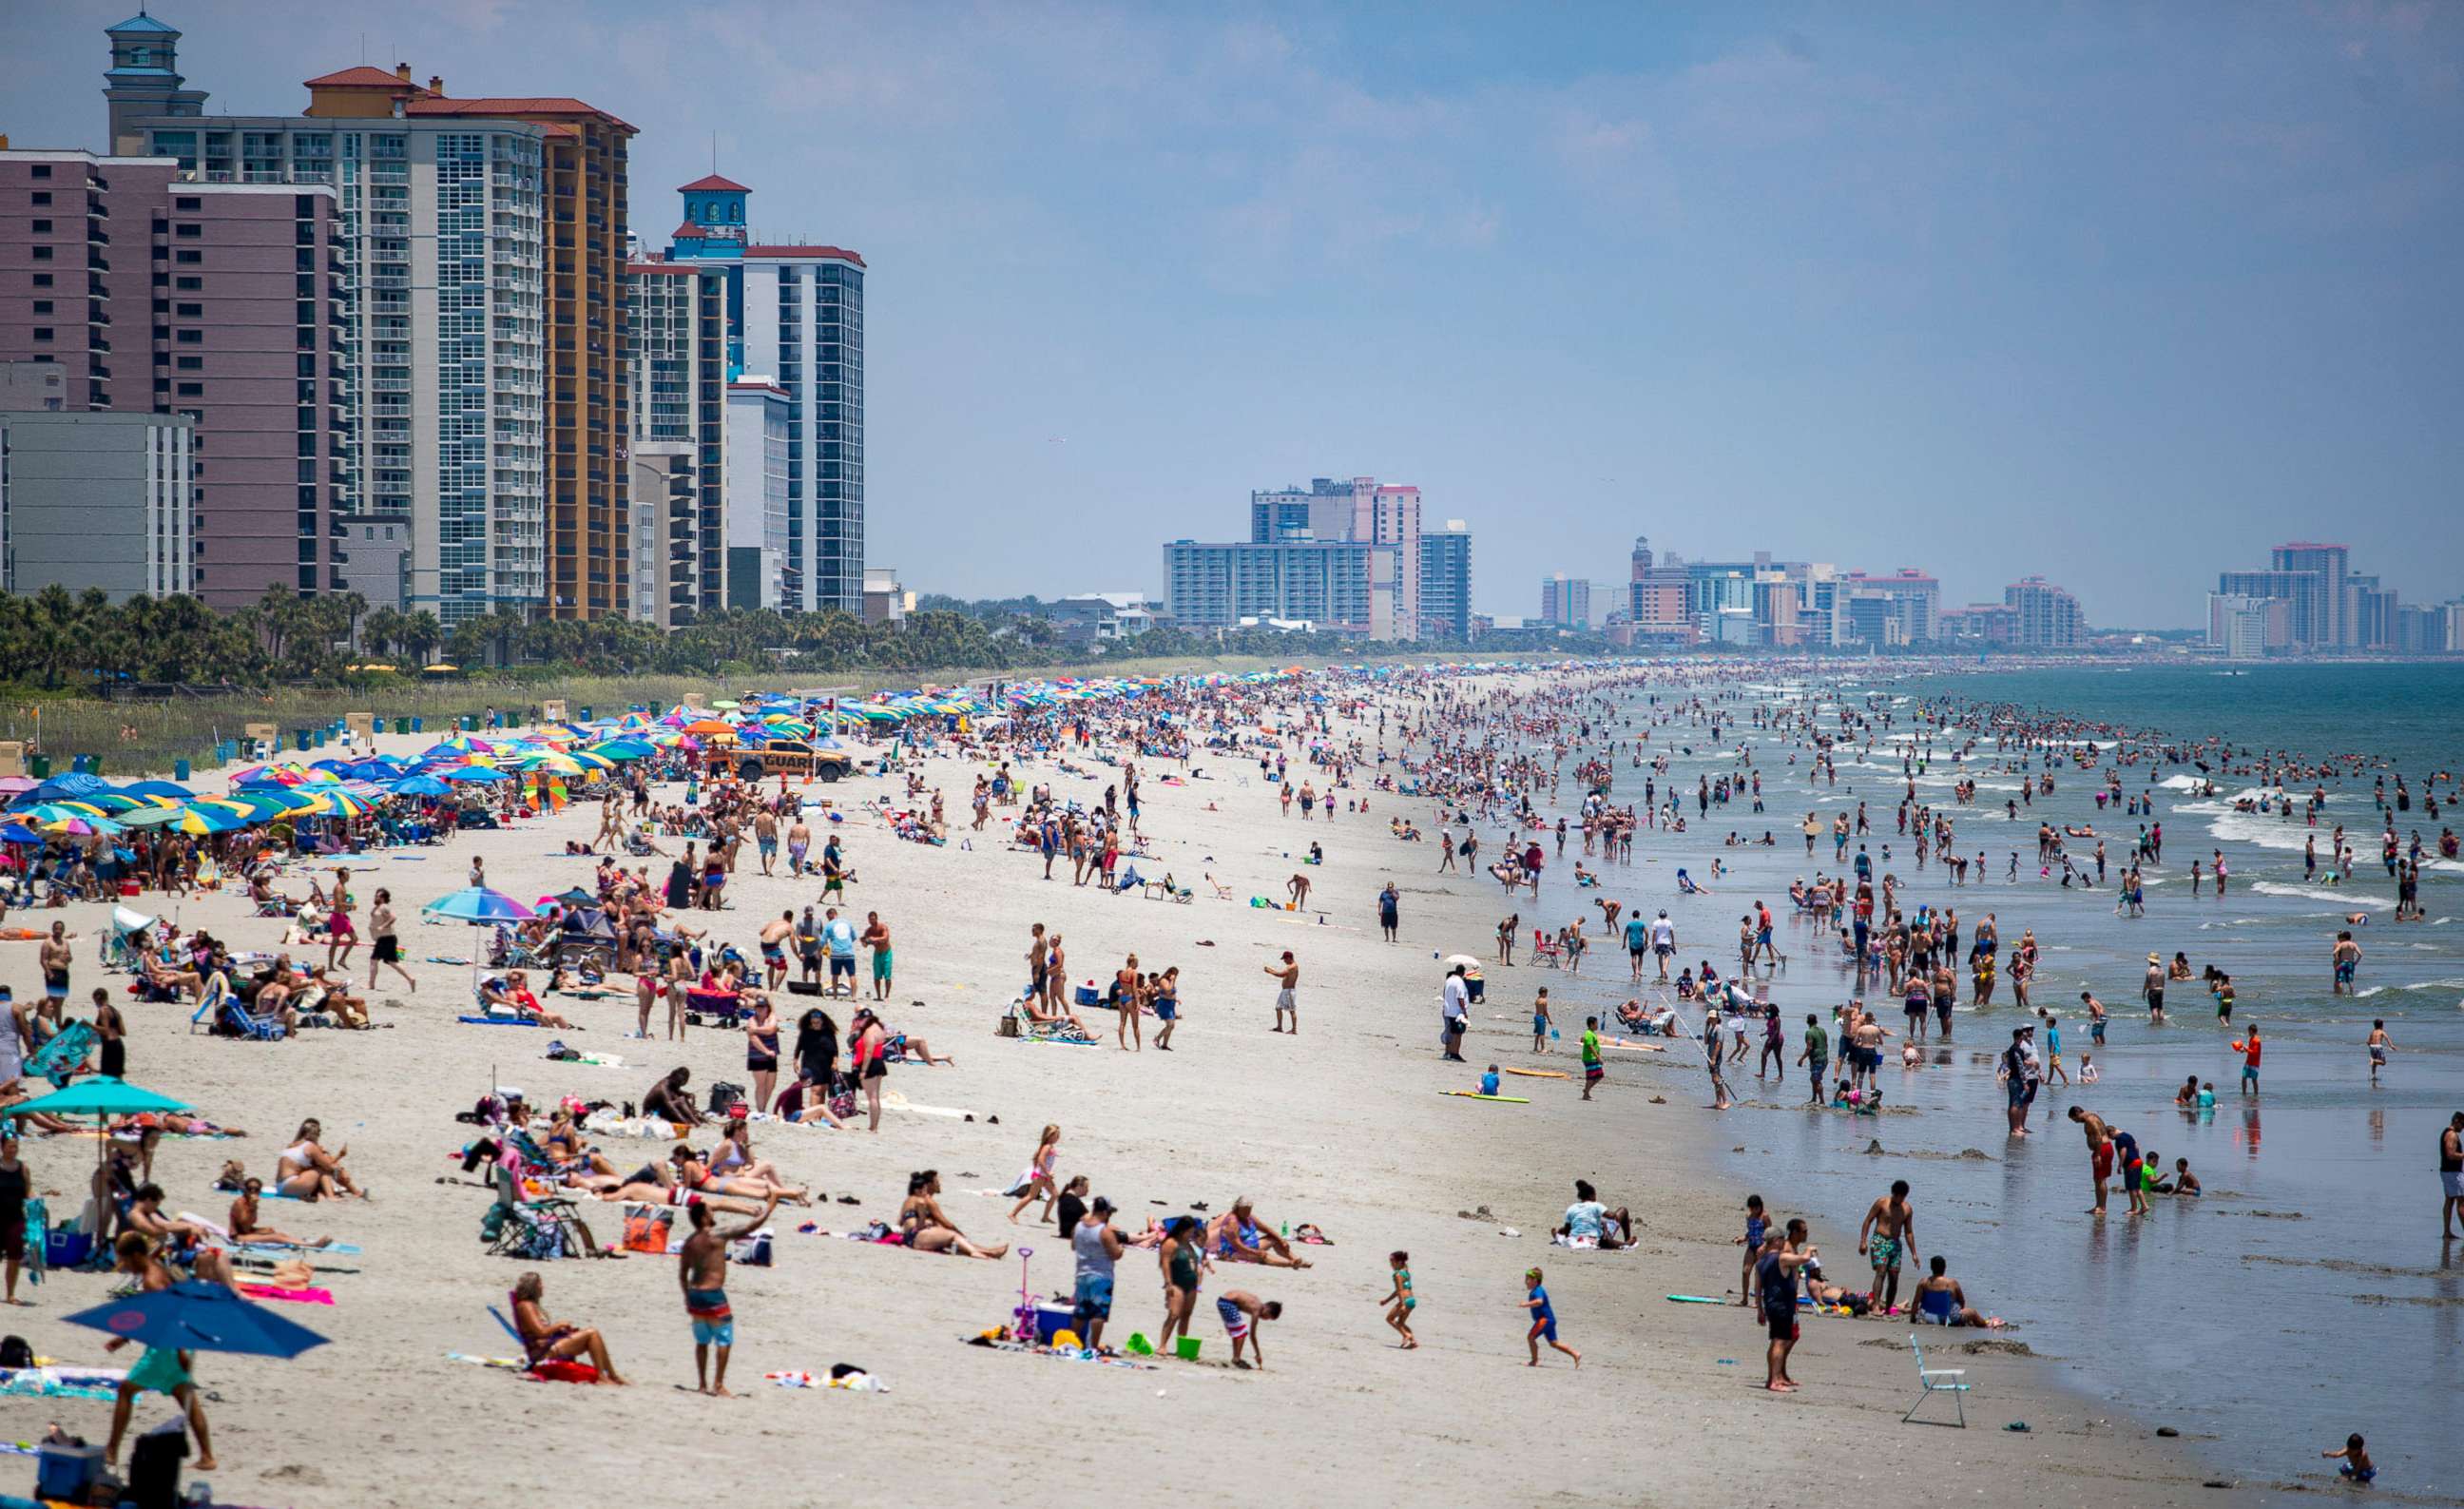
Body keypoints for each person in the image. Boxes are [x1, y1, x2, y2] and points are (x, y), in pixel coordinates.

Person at [100, 1231, 215, 1471]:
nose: (126, 1267)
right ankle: (207, 1456)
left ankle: (111, 1451)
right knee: (187, 1399)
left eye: (127, 1261)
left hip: (166, 1348)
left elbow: (163, 1317)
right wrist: (124, 1339)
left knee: (126, 1390)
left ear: (136, 1255)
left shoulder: (151, 1281)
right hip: (177, 1344)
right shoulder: (157, 1268)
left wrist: (180, 1351)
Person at [679, 1191, 780, 1395]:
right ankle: (718, 1384)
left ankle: (701, 1384)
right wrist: (771, 1206)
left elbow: (683, 1274)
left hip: (695, 1294)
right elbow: (751, 1226)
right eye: (710, 1210)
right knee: (724, 1339)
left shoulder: (690, 1242)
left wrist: (687, 1297)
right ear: (704, 1217)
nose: (712, 1212)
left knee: (702, 1342)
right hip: (713, 1294)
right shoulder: (718, 1234)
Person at [511, 1269, 627, 1384]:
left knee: (593, 1334)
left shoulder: (531, 1305)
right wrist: (559, 1325)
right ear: (532, 1287)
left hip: (547, 1347)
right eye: (539, 1283)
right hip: (542, 1354)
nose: (542, 1286)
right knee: (592, 1333)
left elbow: (540, 1332)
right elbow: (541, 1332)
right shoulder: (526, 1306)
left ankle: (613, 1375)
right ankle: (602, 1377)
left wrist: (559, 1330)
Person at [1760, 1219, 1815, 1390]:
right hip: (1782, 1302)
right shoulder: (1785, 1250)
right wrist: (1809, 1251)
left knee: (1783, 1338)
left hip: (1780, 1301)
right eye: (1804, 1231)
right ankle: (1777, 1377)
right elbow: (1802, 1260)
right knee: (1783, 1339)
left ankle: (1778, 1375)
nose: (1806, 1234)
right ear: (1795, 1232)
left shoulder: (1776, 1254)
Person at [1071, 1195, 1125, 1351]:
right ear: (1105, 1212)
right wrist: (1120, 1247)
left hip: (1081, 1274)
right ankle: (1093, 1347)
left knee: (1080, 1311)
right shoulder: (1104, 1231)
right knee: (1098, 1314)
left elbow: (1073, 1246)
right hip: (1101, 1276)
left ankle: (1073, 1342)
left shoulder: (1079, 1226)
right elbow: (1116, 1254)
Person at [1858, 1178, 1916, 1310]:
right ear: (1893, 1194)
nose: (1899, 1199)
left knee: (1894, 1276)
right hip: (1880, 1240)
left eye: (1902, 1197)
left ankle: (1889, 1308)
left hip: (1895, 1244)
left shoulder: (1907, 1209)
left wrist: (1914, 1254)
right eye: (1897, 1196)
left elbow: (1908, 1232)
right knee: (1881, 1271)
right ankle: (1876, 1305)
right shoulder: (1882, 1203)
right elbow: (1868, 1220)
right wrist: (1863, 1241)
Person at [1158, 1214, 1208, 1354]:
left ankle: (1182, 1345)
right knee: (1174, 1314)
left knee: (1186, 1315)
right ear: (1182, 1230)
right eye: (1190, 1231)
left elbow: (1195, 1262)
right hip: (1176, 1283)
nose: (1192, 1234)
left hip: (1191, 1284)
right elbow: (1165, 1263)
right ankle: (1162, 1345)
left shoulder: (1188, 1244)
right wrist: (1168, 1283)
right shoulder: (1171, 1243)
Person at [1518, 1266, 1580, 1367]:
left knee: (1531, 1337)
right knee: (1554, 1343)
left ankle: (1534, 1361)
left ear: (1535, 1280)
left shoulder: (1538, 1290)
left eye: (1527, 1279)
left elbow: (1539, 1301)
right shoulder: (1536, 1290)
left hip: (1545, 1319)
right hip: (1549, 1320)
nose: (1525, 1282)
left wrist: (1525, 1304)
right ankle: (1575, 1354)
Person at [1915, 1255, 1998, 1327]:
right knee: (1973, 1312)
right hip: (1948, 1319)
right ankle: (1985, 1325)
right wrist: (1960, 1313)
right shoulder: (1952, 1283)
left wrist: (1912, 1319)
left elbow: (1915, 1302)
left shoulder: (1923, 1282)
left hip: (1928, 1317)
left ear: (1931, 1268)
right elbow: (1962, 1301)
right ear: (1945, 1267)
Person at [1008, 1123, 1063, 1225]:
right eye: (1056, 1135)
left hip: (1044, 1176)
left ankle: (1045, 1217)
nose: (1058, 1138)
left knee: (1055, 1194)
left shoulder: (1049, 1146)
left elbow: (1036, 1159)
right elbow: (1041, 1160)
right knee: (1031, 1196)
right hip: (1041, 1176)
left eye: (1059, 1135)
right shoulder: (1046, 1147)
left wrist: (1044, 1173)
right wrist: (1047, 1172)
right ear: (1049, 1135)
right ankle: (1012, 1214)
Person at [1217, 1288, 1280, 1369]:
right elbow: (1253, 1335)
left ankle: (1235, 1358)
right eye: (1267, 1317)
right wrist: (1258, 1354)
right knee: (1242, 1332)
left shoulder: (1256, 1303)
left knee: (1237, 1332)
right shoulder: (1257, 1309)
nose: (1264, 1319)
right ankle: (1236, 1359)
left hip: (1223, 1301)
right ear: (1267, 1310)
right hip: (1227, 1303)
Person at [2069, 1105, 2114, 1218]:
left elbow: (2099, 1136)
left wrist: (2098, 1154)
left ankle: (2102, 1207)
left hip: (2102, 1150)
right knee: (2098, 1179)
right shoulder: (2091, 1116)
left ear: (2077, 1114)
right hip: (2103, 1149)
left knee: (2100, 1179)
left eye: (2074, 1119)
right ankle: (2098, 1206)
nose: (2075, 1122)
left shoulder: (2090, 1119)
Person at [367, 889, 414, 994]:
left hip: (386, 938)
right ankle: (410, 979)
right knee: (392, 962)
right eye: (375, 896)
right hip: (386, 938)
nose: (375, 898)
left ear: (383, 898)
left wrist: (382, 927)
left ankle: (371, 984)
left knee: (374, 960)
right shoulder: (378, 907)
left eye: (378, 896)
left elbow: (393, 918)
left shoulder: (384, 907)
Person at [0, 1135, 25, 1305]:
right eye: (10, 1146)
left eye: (15, 1147)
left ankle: (10, 1294)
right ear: (2, 1147)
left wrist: (35, 1202)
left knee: (14, 1258)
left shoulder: (23, 1168)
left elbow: (28, 1190)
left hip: (16, 1217)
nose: (13, 1150)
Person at [1380, 1250, 1418, 1349]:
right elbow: (1399, 1290)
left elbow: (1400, 1291)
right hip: (1412, 1300)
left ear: (1399, 1262)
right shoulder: (1405, 1271)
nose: (1391, 1264)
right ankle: (1413, 1342)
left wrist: (1402, 1305)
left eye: (1392, 1261)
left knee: (1389, 1319)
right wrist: (1386, 1300)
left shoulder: (1397, 1275)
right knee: (1401, 1323)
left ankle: (1406, 1335)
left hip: (1405, 1301)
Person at [1736, 1193, 1768, 1307]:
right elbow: (1750, 1232)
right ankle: (1744, 1299)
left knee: (1758, 1275)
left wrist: (1764, 1246)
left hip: (1762, 1247)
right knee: (1745, 1271)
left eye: (1757, 1208)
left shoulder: (1765, 1216)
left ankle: (1757, 1301)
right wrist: (1743, 1238)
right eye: (1752, 1208)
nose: (1755, 1210)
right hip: (1751, 1246)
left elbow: (1769, 1233)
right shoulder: (1748, 1216)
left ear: (1760, 1206)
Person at [1439, 964, 1470, 1061]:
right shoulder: (1459, 982)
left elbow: (1444, 994)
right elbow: (1460, 997)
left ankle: (1447, 1052)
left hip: (1447, 1010)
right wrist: (1464, 1011)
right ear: (1463, 972)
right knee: (1458, 1033)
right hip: (1457, 1012)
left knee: (1449, 1031)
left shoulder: (1449, 980)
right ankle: (1455, 1053)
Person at [1266, 950, 1299, 1035]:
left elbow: (1281, 975)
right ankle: (1279, 1027)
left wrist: (1270, 971)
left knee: (1292, 1010)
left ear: (1289, 958)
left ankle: (1294, 1029)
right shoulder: (1290, 966)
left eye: (1285, 959)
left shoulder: (1292, 967)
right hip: (1284, 991)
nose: (1284, 961)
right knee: (1278, 1008)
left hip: (1289, 992)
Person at [2443, 1112, 2464, 1240]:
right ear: (2456, 1121)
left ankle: (2447, 1232)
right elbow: (2450, 1154)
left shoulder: (2448, 1133)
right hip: (2452, 1173)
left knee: (2449, 1201)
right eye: (2463, 1124)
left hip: (2447, 1172)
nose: (2463, 1128)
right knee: (2461, 1203)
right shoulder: (2452, 1135)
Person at [1579, 1016, 1604, 1101]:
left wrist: (1583, 1039)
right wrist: (1598, 1058)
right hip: (1590, 1058)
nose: (1597, 1025)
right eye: (1596, 1023)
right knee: (1591, 1077)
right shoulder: (1589, 1033)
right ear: (1592, 1024)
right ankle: (1586, 1095)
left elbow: (1585, 1040)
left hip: (1594, 1058)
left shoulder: (1591, 1033)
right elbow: (1590, 1046)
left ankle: (1587, 1090)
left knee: (1599, 1075)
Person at [2367, 1019, 2394, 1084]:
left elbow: (2367, 1042)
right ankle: (2373, 1060)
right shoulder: (2382, 1032)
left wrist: (2371, 1046)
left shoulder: (2372, 1032)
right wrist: (2391, 1045)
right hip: (2378, 1047)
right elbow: (2387, 1038)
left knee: (2374, 1064)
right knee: (2383, 1062)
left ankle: (2373, 1076)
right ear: (2382, 1026)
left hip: (2372, 1047)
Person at [2241, 1024, 2263, 1094]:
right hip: (2248, 1062)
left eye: (2248, 1031)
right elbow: (2251, 1050)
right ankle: (2244, 1093)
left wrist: (2246, 1048)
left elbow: (2255, 1052)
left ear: (2251, 1031)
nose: (2248, 1032)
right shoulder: (2251, 1039)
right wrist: (2244, 1050)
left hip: (2255, 1063)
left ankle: (2256, 1094)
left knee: (2254, 1080)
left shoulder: (2257, 1040)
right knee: (2243, 1078)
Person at [1530, 987, 1553, 1054]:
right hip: (1541, 1017)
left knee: (1538, 1033)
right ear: (1543, 993)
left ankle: (1535, 1047)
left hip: (1536, 1017)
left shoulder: (1537, 1000)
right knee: (1542, 1034)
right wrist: (1549, 1020)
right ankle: (1543, 1048)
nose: (1546, 995)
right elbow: (1545, 1011)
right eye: (1546, 993)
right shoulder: (1544, 1000)